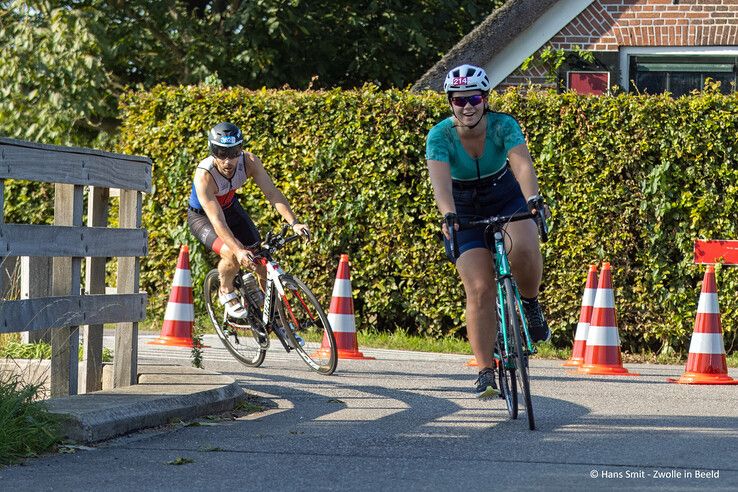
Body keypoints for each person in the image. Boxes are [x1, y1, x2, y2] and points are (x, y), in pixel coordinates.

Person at [425, 64, 549, 399]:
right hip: (463, 206)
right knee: (479, 288)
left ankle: (530, 303)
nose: (468, 106)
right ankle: (484, 370)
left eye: (475, 98)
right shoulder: (440, 136)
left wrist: (533, 198)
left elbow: (521, 163)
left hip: (504, 195)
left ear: (485, 99)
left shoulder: (503, 125)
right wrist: (448, 214)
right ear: (451, 102)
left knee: (523, 248)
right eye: (459, 100)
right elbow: (440, 184)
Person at [187, 122, 310, 330]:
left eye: (233, 153)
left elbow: (272, 193)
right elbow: (217, 221)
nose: (227, 161)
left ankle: (274, 317)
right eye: (220, 153)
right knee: (233, 254)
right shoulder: (204, 176)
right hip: (204, 218)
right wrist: (238, 249)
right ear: (212, 151)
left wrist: (294, 222)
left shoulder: (250, 162)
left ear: (241, 149)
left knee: (262, 260)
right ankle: (225, 290)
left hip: (230, 207)